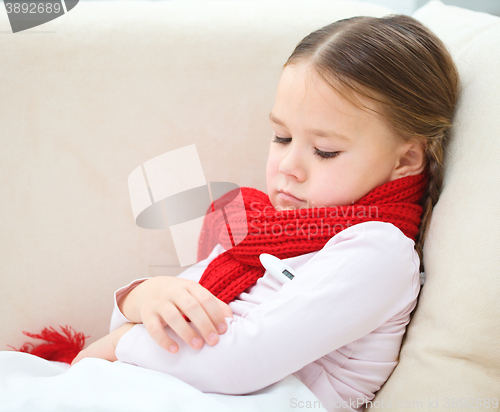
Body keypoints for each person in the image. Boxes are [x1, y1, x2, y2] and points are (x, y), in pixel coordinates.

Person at [71, 14, 459, 412]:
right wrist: (143, 297)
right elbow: (147, 321)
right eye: (282, 137)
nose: (288, 165)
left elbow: (238, 364)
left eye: (325, 150)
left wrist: (123, 344)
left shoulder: (378, 250)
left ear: (406, 159)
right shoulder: (263, 230)